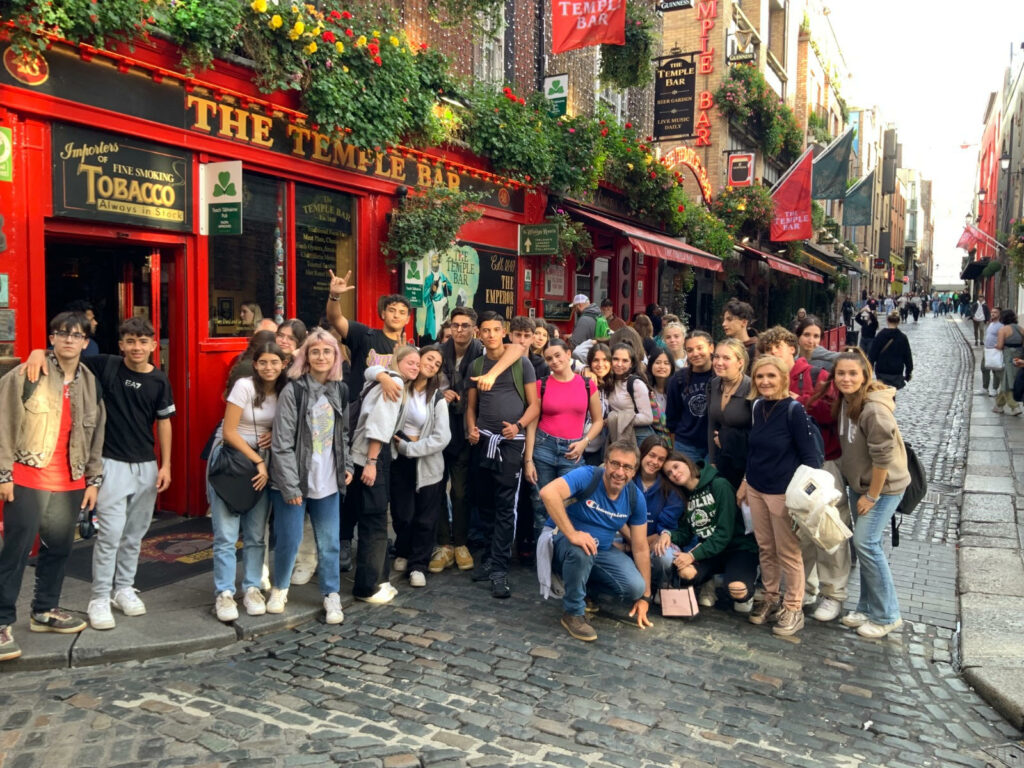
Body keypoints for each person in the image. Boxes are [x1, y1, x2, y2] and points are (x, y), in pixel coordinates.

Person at [0, 312, 105, 660]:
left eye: (77, 335)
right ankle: (1, 623)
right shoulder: (28, 373)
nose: (69, 340)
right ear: (52, 338)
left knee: (59, 548)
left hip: (70, 479)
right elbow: (3, 422)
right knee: (15, 552)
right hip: (28, 474)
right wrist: (4, 475)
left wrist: (93, 480)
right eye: (62, 334)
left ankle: (44, 611)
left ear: (86, 342)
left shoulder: (91, 381)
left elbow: (96, 434)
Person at [326, 270, 411, 569]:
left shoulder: (409, 349)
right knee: (350, 485)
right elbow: (336, 320)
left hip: (388, 431)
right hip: (356, 422)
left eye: (403, 311)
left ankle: (372, 542)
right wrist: (335, 296)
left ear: (408, 318)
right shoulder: (366, 335)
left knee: (378, 490)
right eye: (392, 309)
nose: (397, 314)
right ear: (383, 313)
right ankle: (344, 542)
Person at [268, 328, 352, 623]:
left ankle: (331, 594)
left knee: (328, 542)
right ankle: (280, 588)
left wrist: (348, 466)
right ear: (305, 356)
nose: (320, 356)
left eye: (327, 351)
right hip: (294, 480)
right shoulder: (295, 390)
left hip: (328, 480)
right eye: (314, 351)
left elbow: (343, 435)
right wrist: (290, 486)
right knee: (289, 540)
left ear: (335, 356)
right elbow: (281, 443)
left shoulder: (340, 389)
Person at [737, 355, 823, 637]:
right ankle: (770, 597)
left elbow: (811, 457)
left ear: (784, 378)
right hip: (757, 489)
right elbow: (755, 450)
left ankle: (793, 606)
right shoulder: (758, 406)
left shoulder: (793, 410)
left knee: (788, 552)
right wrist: (746, 481)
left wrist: (804, 498)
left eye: (771, 376)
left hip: (783, 493)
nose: (764, 382)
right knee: (765, 547)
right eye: (760, 377)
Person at [539, 440, 654, 642]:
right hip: (564, 544)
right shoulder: (588, 475)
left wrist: (645, 596)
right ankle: (573, 612)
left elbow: (641, 547)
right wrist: (573, 534)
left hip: (601, 551)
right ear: (606, 463)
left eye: (627, 467)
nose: (620, 472)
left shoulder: (635, 498)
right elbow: (548, 493)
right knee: (581, 550)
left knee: (635, 586)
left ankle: (584, 590)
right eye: (615, 464)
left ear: (634, 471)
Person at [832, 349, 909, 638]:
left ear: (865, 375)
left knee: (867, 544)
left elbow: (883, 459)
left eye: (853, 373)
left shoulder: (874, 409)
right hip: (859, 485)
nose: (846, 378)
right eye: (841, 373)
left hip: (881, 488)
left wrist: (872, 496)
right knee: (864, 547)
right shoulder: (846, 401)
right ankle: (865, 606)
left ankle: (887, 614)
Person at [209, 342, 285, 622]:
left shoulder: (284, 389)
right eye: (263, 362)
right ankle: (224, 592)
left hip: (261, 461)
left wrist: (274, 433)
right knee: (226, 534)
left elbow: (290, 423)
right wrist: (259, 460)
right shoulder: (243, 386)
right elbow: (229, 431)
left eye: (274, 362)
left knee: (256, 532)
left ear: (283, 364)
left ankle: (252, 587)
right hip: (233, 459)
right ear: (255, 364)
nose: (269, 368)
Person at [465, 312, 540, 599]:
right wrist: (471, 428)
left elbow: (535, 406)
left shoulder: (522, 364)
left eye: (496, 329)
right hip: (484, 442)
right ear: (478, 333)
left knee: (506, 506)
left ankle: (499, 569)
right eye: (486, 330)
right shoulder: (477, 364)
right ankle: (488, 558)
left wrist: (518, 426)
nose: (491, 334)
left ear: (504, 331)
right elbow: (472, 406)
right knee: (483, 503)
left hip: (511, 445)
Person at [350, 346, 420, 603]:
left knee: (372, 519)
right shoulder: (395, 385)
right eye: (410, 362)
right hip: (371, 457)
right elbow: (378, 424)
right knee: (375, 521)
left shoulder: (384, 378)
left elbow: (370, 371)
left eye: (418, 363)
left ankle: (379, 580)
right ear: (397, 362)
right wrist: (371, 461)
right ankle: (368, 587)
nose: (415, 367)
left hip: (362, 456)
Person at [524, 339, 604, 539]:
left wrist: (584, 442)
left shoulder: (587, 384)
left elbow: (598, 421)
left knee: (573, 502)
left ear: (569, 354)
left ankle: (563, 556)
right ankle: (542, 560)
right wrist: (528, 460)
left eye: (558, 355)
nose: (554, 361)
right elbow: (532, 424)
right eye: (549, 358)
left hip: (573, 450)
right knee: (540, 505)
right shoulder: (540, 385)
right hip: (544, 447)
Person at [387, 346, 451, 588]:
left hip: (428, 462)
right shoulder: (399, 386)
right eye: (429, 358)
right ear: (418, 358)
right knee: (403, 513)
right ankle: (403, 549)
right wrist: (402, 448)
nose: (432, 364)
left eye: (437, 363)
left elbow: (441, 437)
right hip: (399, 460)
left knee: (426, 517)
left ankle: (418, 564)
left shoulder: (437, 398)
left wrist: (410, 448)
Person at [662, 453, 758, 613]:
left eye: (676, 466)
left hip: (739, 548)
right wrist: (668, 535)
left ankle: (748, 583)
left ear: (687, 462)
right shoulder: (685, 497)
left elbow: (723, 534)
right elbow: (686, 534)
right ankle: (709, 582)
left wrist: (692, 555)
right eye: (669, 473)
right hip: (711, 552)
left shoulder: (719, 485)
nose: (674, 473)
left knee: (736, 591)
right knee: (684, 574)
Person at [621, 437, 683, 593]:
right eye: (652, 455)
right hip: (623, 536)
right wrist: (629, 543)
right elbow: (616, 516)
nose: (655, 462)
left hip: (651, 543)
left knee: (665, 556)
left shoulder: (671, 490)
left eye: (661, 459)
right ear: (642, 454)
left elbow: (663, 530)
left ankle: (660, 584)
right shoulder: (626, 479)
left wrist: (629, 546)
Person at [705, 338, 751, 490]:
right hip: (722, 460)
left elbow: (758, 434)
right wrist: (712, 461)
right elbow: (711, 424)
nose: (718, 362)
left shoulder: (751, 388)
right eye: (716, 357)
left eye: (726, 358)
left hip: (745, 463)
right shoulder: (713, 384)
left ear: (740, 362)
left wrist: (747, 478)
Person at [666, 331, 715, 463]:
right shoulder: (678, 379)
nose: (695, 353)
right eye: (690, 350)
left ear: (711, 347)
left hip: (714, 444)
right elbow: (672, 417)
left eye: (700, 348)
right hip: (686, 444)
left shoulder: (721, 376)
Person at [604, 342, 654, 447]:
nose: (619, 364)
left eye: (625, 361)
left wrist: (616, 418)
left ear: (631, 364)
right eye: (616, 359)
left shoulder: (636, 384)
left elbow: (647, 417)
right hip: (616, 435)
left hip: (639, 437)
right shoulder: (607, 381)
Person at [581, 343, 612, 466]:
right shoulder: (582, 381)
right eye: (596, 360)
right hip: (577, 445)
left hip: (599, 449)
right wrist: (584, 368)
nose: (600, 365)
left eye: (605, 360)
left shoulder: (612, 384)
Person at [869, 312, 914, 390]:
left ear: (887, 321)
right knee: (892, 393)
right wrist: (908, 372)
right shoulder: (902, 337)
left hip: (882, 370)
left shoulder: (880, 335)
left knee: (883, 392)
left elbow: (872, 354)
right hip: (896, 371)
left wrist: (869, 369)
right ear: (898, 322)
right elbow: (908, 356)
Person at [994, 309, 1024, 416]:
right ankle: (998, 405)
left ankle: (1015, 406)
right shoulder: (1021, 329)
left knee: (1007, 380)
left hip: (1008, 356)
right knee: (1013, 379)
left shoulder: (1003, 330)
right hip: (1019, 356)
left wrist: (995, 346)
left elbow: (1000, 345)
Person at [645, 348, 675, 446]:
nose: (662, 366)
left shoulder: (677, 390)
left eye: (666, 363)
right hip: (651, 440)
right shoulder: (645, 390)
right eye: (657, 362)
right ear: (651, 365)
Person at [422, 252, 453, 343]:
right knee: (433, 330)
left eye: (436, 261)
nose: (435, 263)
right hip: (433, 307)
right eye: (433, 261)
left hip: (443, 305)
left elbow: (448, 292)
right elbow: (426, 297)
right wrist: (432, 290)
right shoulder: (428, 279)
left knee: (444, 327)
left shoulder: (443, 277)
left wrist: (444, 285)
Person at [721, 299, 757, 369]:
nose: (723, 324)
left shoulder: (756, 349)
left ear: (744, 322)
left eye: (729, 319)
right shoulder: (724, 347)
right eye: (724, 320)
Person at [982, 306, 1004, 397]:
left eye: (995, 312)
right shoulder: (991, 324)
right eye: (992, 312)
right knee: (984, 368)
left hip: (995, 350)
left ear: (999, 314)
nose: (992, 314)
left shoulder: (1001, 326)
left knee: (996, 370)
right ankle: (985, 388)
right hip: (987, 350)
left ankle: (994, 389)